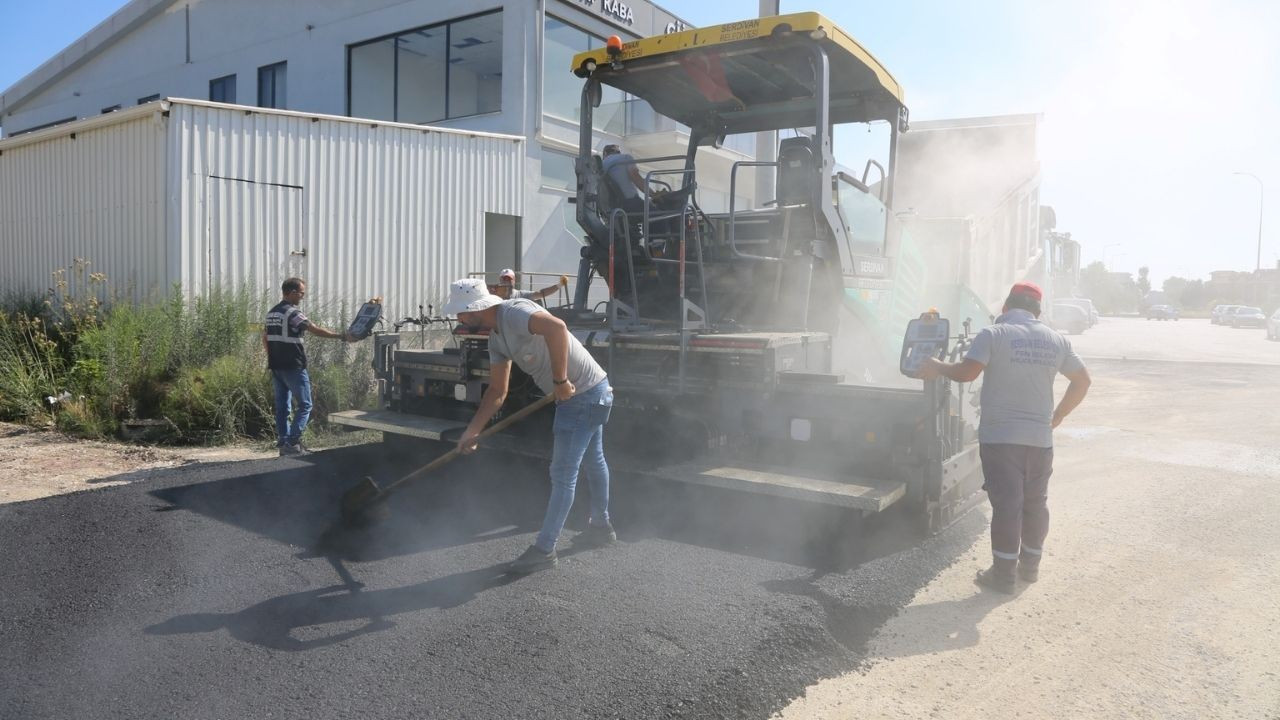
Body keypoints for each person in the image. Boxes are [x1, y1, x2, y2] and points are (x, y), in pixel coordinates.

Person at [920, 281, 1091, 594]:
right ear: (1038, 311)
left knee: (1007, 506)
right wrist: (1058, 415)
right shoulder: (1057, 340)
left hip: (1001, 439)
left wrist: (937, 366)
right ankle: (1030, 568)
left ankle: (1002, 577)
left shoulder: (994, 334)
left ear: (1006, 307)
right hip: (1040, 439)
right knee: (1035, 503)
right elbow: (1082, 381)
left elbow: (967, 373)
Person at [442, 277, 615, 574]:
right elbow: (497, 391)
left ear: (473, 309)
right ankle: (602, 526)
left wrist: (560, 380)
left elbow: (557, 328)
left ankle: (544, 550)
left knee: (562, 473)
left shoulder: (515, 312)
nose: (458, 318)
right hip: (594, 391)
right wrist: (473, 430)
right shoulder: (497, 339)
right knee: (593, 460)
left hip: (584, 394)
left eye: (460, 313)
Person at [262, 277, 352, 456]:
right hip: (293, 366)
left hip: (276, 366)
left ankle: (284, 443)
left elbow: (265, 337)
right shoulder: (292, 313)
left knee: (282, 407)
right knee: (305, 405)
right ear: (293, 292)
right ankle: (293, 442)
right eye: (301, 293)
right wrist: (341, 336)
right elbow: (315, 329)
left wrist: (272, 358)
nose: (303, 296)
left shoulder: (272, 313)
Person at [492, 268, 568, 302]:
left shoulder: (521, 295)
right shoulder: (493, 296)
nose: (507, 282)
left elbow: (541, 294)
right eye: (504, 279)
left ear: (514, 280)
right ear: (500, 280)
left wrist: (560, 285)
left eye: (509, 279)